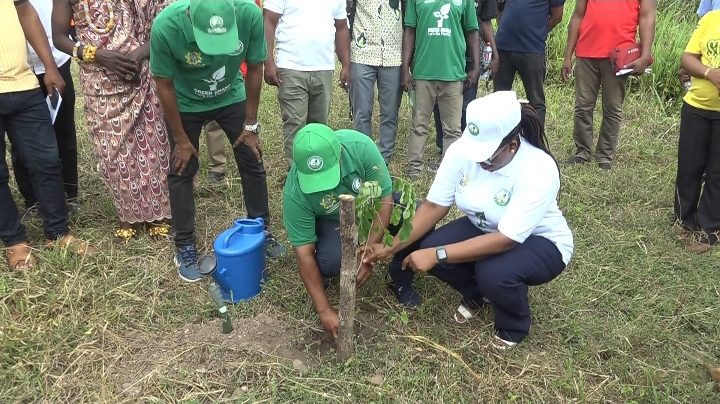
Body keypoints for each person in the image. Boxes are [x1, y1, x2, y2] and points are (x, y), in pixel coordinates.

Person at [363, 91, 573, 349]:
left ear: (512, 145)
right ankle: (477, 295)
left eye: (487, 156)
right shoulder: (461, 152)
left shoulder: (538, 168)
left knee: (491, 271)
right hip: (485, 228)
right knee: (431, 245)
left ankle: (514, 325)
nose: (479, 161)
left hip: (540, 240)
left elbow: (507, 238)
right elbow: (432, 207)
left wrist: (438, 254)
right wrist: (389, 247)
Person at [151, 0, 284, 283]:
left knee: (252, 158)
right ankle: (184, 245)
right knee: (181, 168)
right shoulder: (166, 26)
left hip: (230, 96)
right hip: (185, 102)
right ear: (190, 16)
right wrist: (180, 139)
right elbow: (163, 84)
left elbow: (256, 66)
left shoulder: (249, 14)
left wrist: (250, 124)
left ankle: (260, 229)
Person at [52, 0, 173, 242]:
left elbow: (165, 23)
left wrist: (141, 53)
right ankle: (127, 215)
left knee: (151, 145)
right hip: (99, 79)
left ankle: (156, 215)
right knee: (112, 152)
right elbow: (58, 37)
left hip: (142, 72)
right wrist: (97, 55)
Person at [283, 123, 394, 338]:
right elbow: (304, 254)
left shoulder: (360, 148)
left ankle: (400, 276)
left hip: (368, 207)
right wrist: (324, 309)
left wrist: (367, 252)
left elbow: (384, 198)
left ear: (340, 153)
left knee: (413, 214)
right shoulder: (294, 194)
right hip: (331, 221)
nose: (325, 187)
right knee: (330, 261)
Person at [2, 0, 88, 270]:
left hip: (24, 83)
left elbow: (25, 10)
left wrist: (49, 65)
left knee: (47, 160)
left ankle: (58, 232)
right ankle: (15, 241)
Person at [562, 0, 656, 170]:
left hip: (619, 56)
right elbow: (577, 15)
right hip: (586, 52)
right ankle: (582, 152)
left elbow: (647, 16)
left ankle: (605, 156)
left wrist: (645, 54)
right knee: (583, 105)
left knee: (612, 107)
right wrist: (568, 55)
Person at [263, 0, 351, 163]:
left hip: (323, 68)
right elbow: (268, 20)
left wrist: (346, 64)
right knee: (294, 126)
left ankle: (316, 173)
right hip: (290, 67)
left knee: (319, 127)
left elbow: (341, 27)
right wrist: (268, 62)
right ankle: (296, 175)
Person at [12, 0, 78, 214]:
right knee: (22, 139)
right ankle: (32, 199)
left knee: (64, 130)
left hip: (56, 60)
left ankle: (69, 193)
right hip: (19, 69)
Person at [403, 0, 480, 179]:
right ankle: (414, 169)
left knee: (453, 129)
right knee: (419, 124)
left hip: (453, 73)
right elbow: (409, 30)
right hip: (423, 72)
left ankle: (450, 172)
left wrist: (475, 67)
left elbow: (472, 31)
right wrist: (405, 69)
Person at [674, 10, 720, 249]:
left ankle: (709, 228)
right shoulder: (711, 19)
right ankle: (684, 219)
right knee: (689, 165)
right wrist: (710, 73)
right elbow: (687, 58)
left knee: (717, 172)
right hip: (696, 107)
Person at [433, 0, 499, 156]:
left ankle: (463, 145)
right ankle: (443, 145)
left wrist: (494, 53)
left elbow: (485, 21)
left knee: (466, 104)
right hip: (446, 53)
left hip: (471, 56)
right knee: (440, 102)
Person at [348, 0, 404, 164]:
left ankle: (384, 156)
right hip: (362, 53)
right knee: (362, 110)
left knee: (390, 112)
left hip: (393, 55)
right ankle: (364, 155)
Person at [493, 0, 564, 126]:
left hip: (531, 49)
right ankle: (501, 140)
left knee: (535, 101)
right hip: (504, 46)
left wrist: (538, 32)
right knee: (499, 98)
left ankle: (535, 142)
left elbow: (557, 16)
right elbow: (499, 6)